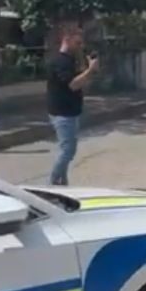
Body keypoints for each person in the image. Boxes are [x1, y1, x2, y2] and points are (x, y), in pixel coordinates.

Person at [47, 25, 99, 186]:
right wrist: (90, 71)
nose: (80, 47)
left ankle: (62, 182)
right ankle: (53, 182)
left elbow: (80, 82)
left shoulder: (71, 60)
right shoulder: (60, 61)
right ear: (66, 40)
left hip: (71, 111)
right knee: (68, 150)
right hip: (62, 113)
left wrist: (89, 70)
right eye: (77, 43)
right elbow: (73, 85)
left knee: (68, 149)